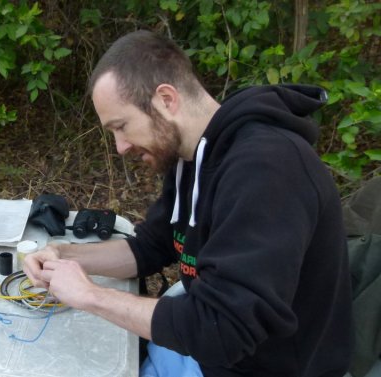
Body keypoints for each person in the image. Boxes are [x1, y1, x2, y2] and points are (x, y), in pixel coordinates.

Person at [24, 29, 352, 377]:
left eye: (121, 127)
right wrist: (64, 256)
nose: (120, 147)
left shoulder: (268, 171)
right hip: (201, 353)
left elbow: (222, 330)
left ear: (166, 99)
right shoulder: (189, 155)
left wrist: (89, 296)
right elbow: (150, 248)